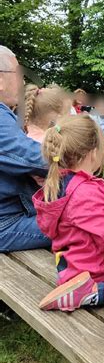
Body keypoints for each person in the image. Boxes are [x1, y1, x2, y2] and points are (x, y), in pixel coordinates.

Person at [33, 115, 104, 311]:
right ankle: (90, 294)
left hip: (73, 267)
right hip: (93, 273)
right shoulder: (85, 193)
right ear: (92, 153)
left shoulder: (64, 183)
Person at [0, 46, 51, 252]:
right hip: (7, 223)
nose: (22, 82)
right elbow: (35, 157)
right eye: (19, 74)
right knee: (87, 223)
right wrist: (80, 158)